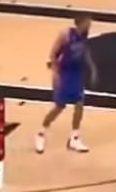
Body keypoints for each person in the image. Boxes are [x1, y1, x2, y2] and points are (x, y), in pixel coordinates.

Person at [35, 14, 97, 154]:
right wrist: (55, 73)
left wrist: (93, 68)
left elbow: (85, 51)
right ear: (81, 22)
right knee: (59, 106)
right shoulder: (66, 35)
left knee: (79, 105)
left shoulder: (84, 35)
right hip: (64, 73)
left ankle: (74, 138)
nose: (90, 24)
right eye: (88, 22)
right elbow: (52, 55)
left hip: (77, 73)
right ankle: (41, 133)